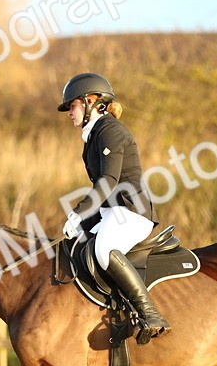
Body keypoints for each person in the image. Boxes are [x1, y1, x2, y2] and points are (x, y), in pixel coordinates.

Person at [58, 72, 172, 344]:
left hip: (131, 212)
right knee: (76, 246)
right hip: (112, 212)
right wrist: (82, 222)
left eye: (72, 106)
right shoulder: (94, 136)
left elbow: (108, 181)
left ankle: (151, 315)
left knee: (104, 249)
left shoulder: (110, 132)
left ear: (90, 101)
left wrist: (78, 212)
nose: (69, 113)